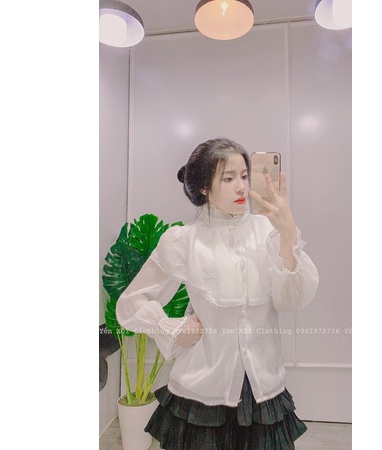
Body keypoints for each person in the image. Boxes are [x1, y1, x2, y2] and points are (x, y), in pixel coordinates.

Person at [116, 138, 319, 449]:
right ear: (203, 187)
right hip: (203, 391)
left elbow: (291, 299)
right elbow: (130, 304)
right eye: (228, 178)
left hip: (264, 390)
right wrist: (173, 328)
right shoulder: (183, 241)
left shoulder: (268, 232)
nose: (241, 187)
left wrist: (288, 232)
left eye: (244, 176)